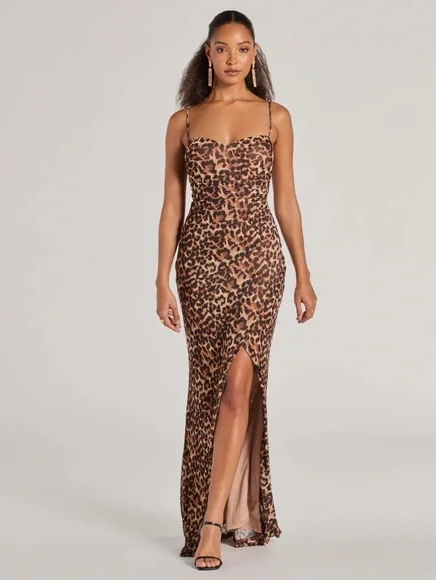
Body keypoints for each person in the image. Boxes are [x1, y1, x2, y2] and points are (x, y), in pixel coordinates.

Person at [155, 10, 318, 571]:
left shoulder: (275, 117)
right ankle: (212, 509)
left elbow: (286, 201)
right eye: (222, 48)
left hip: (259, 264)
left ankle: (212, 523)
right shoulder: (183, 121)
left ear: (255, 54)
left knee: (240, 386)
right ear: (208, 53)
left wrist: (303, 273)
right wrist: (161, 279)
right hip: (200, 266)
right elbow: (172, 207)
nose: (232, 58)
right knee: (210, 387)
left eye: (243, 48)